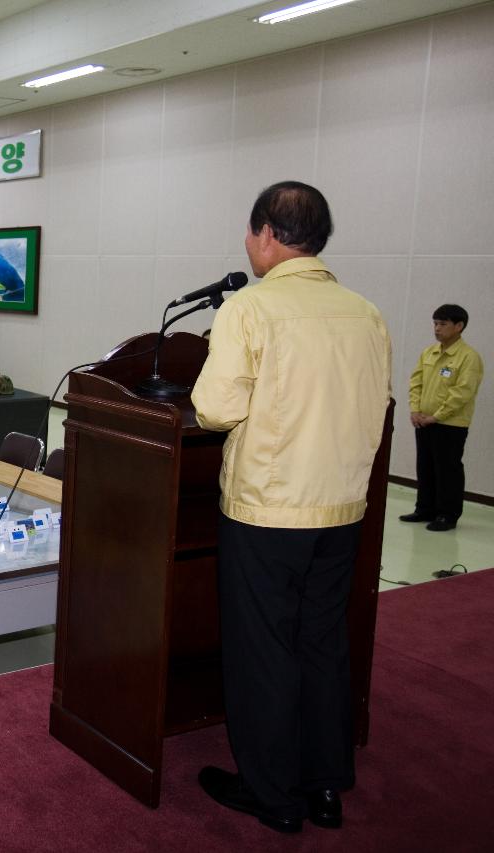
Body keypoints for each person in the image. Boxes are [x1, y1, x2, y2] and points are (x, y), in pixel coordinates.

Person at [190, 181, 392, 834]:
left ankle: (272, 793)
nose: (249, 244)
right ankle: (325, 784)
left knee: (266, 651)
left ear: (268, 234)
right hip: (343, 510)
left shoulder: (251, 310)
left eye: (251, 233)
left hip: (267, 509)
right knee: (324, 643)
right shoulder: (366, 312)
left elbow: (215, 408)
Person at [401, 304, 484, 531]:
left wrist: (436, 416)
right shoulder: (429, 352)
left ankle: (447, 515)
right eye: (435, 323)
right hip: (423, 421)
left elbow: (462, 393)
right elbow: (416, 382)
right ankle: (424, 509)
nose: (437, 329)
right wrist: (415, 410)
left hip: (450, 424)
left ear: (459, 326)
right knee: (425, 466)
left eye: (443, 324)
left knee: (447, 470)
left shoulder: (468, 357)